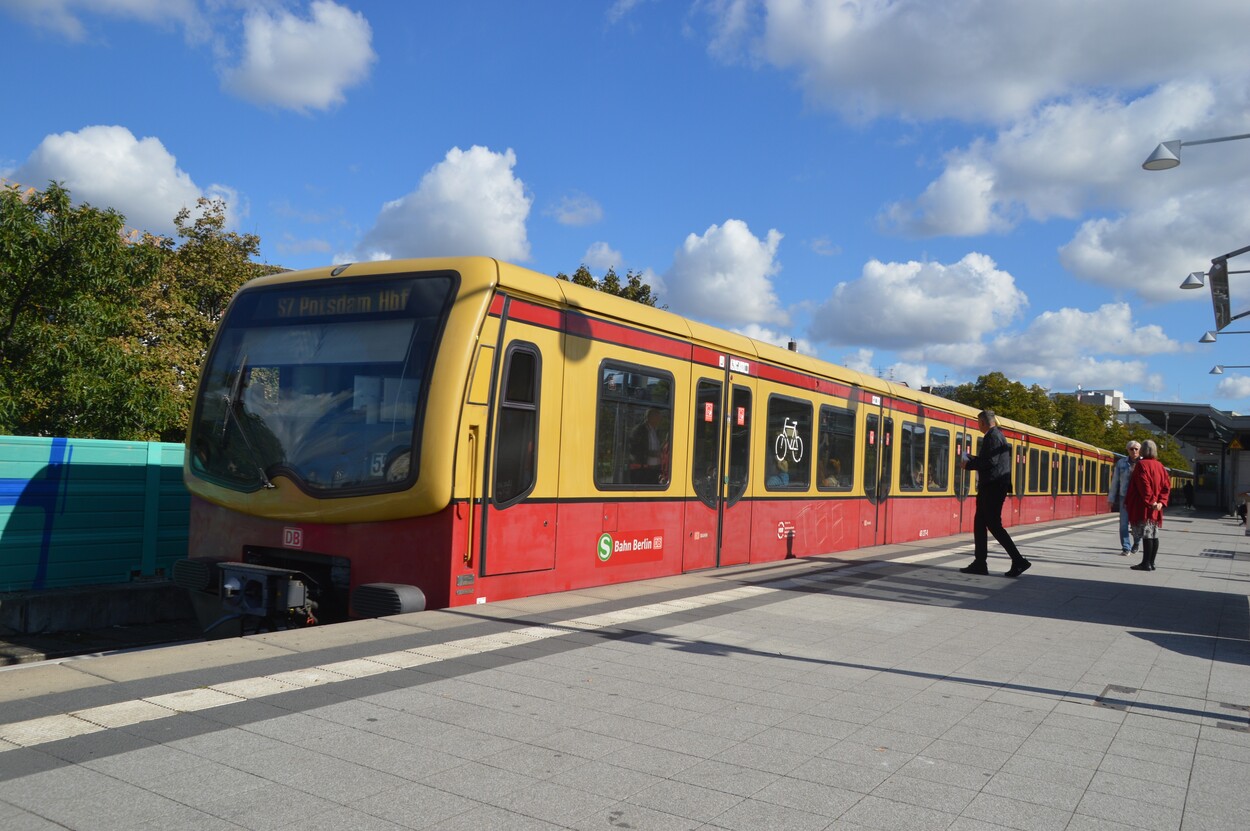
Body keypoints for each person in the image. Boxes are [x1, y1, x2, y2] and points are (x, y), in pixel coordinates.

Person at [959, 410, 1031, 577]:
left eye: (978, 423)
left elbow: (991, 462)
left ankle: (1018, 561)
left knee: (993, 525)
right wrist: (973, 459)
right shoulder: (997, 435)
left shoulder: (992, 436)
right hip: (992, 486)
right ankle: (980, 562)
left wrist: (969, 464)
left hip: (993, 486)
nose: (978, 426)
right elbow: (990, 460)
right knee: (980, 523)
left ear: (983, 422)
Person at [1125, 439, 1170, 572]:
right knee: (1154, 534)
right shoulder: (1160, 466)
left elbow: (1144, 485)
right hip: (1157, 507)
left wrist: (1151, 502)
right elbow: (1166, 486)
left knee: (1146, 535)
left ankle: (1145, 563)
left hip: (1144, 506)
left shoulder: (1141, 465)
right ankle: (1152, 563)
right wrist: (1161, 502)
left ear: (1143, 450)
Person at [1107, 440, 1141, 556]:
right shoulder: (1121, 463)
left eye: (1136, 449)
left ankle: (1136, 543)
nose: (1134, 451)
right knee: (1123, 523)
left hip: (1139, 498)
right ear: (1127, 450)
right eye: (1131, 449)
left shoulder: (1143, 463)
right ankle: (1126, 547)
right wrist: (1111, 498)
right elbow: (1115, 481)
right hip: (1124, 497)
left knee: (1137, 523)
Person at [628, 408, 667, 485]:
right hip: (642, 470)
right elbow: (635, 449)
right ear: (651, 417)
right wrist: (653, 453)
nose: (660, 420)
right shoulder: (639, 430)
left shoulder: (655, 430)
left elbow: (656, 447)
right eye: (658, 417)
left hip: (655, 470)